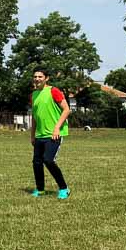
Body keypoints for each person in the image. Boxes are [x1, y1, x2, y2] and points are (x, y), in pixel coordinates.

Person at [29, 67, 71, 199]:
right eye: (35, 77)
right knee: (36, 162)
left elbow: (66, 110)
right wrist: (32, 135)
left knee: (48, 160)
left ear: (46, 78)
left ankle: (64, 188)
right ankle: (40, 189)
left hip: (54, 134)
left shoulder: (54, 91)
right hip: (39, 135)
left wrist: (57, 128)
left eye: (40, 76)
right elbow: (35, 116)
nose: (37, 79)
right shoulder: (34, 95)